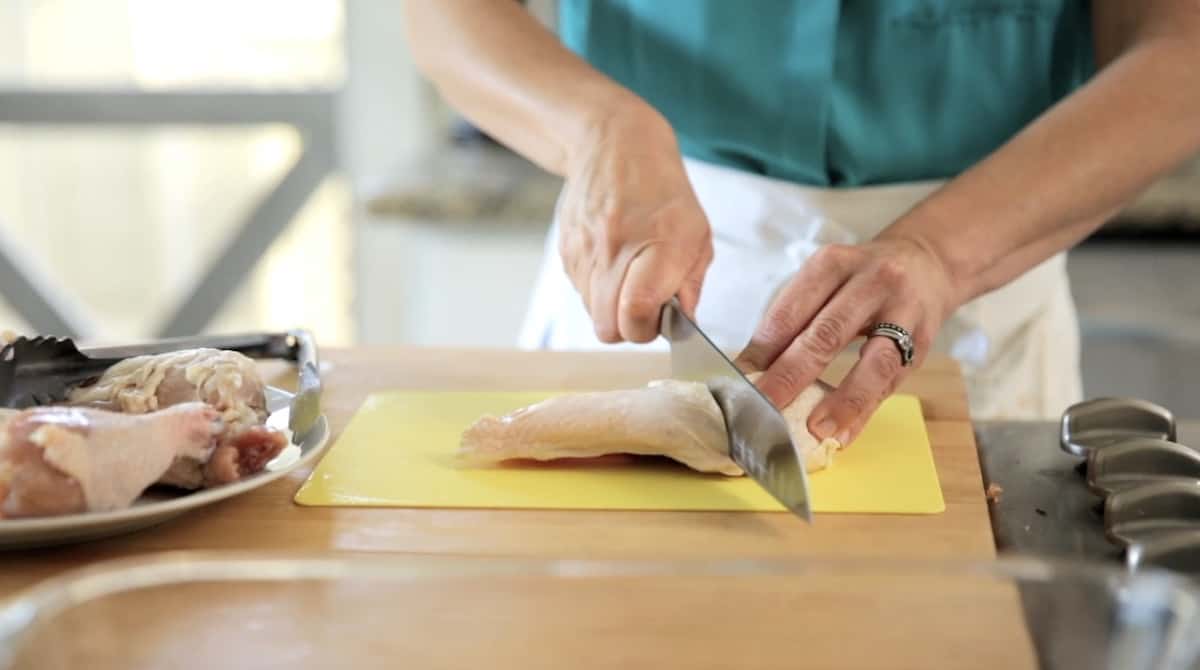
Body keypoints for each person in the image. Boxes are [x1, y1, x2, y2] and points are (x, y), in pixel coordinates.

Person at [403, 1, 1200, 447]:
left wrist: (939, 253)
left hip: (977, 281)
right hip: (640, 266)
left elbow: (1180, 45)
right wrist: (597, 130)